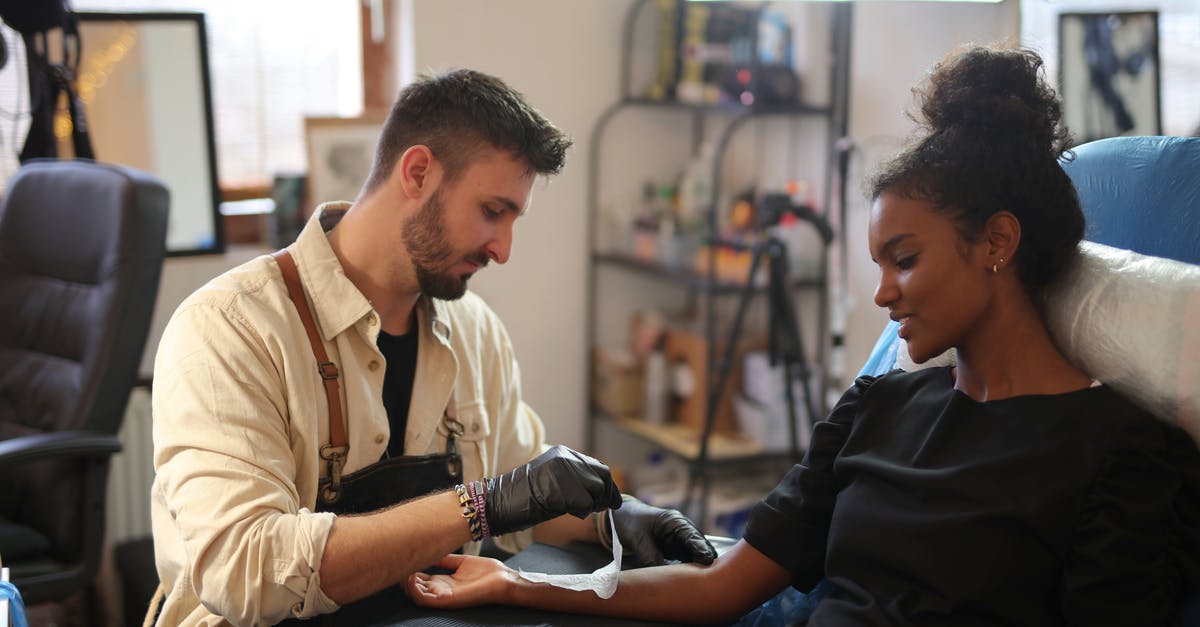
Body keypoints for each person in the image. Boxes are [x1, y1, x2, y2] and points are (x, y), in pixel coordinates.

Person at [403, 46, 1200, 626]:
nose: (882, 291)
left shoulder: (1122, 453)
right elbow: (725, 584)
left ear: (997, 242)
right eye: (878, 263)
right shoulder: (878, 406)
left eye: (905, 260)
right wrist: (515, 586)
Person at [149, 69, 715, 626]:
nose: (504, 248)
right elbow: (243, 569)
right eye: (492, 212)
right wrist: (478, 505)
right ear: (417, 172)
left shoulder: (475, 330)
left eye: (513, 218)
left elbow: (519, 488)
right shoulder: (230, 329)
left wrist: (615, 519)